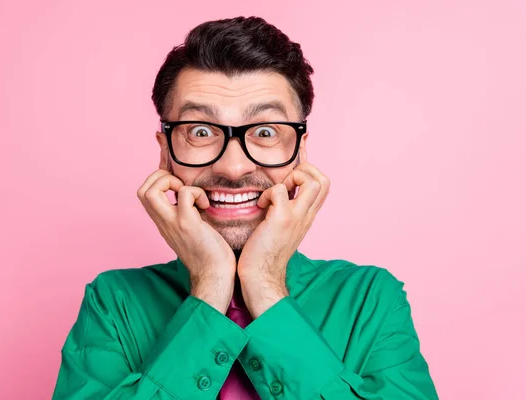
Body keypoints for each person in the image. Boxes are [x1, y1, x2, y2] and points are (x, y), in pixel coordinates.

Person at [52, 16, 438, 399]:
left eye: (266, 132)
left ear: (299, 153)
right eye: (200, 131)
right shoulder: (114, 302)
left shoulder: (369, 299)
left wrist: (265, 284)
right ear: (165, 153)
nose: (233, 168)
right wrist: (210, 284)